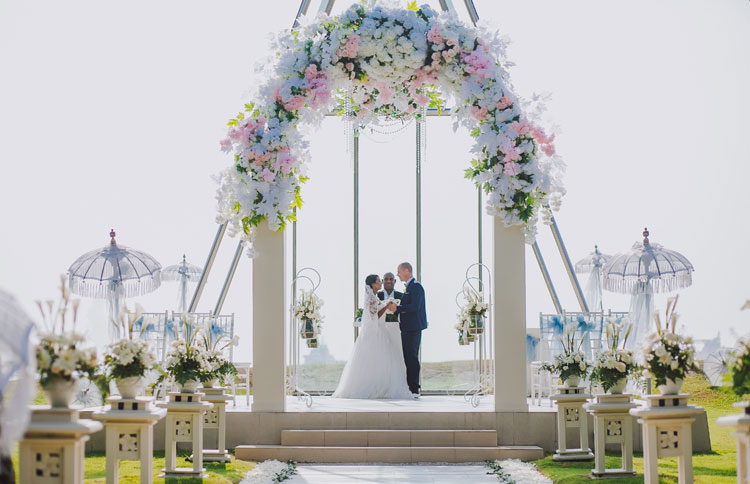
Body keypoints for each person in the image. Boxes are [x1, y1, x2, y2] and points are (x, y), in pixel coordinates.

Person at [332, 274, 413, 399]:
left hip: (380, 330)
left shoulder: (373, 297)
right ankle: (375, 386)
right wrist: (386, 306)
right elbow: (375, 316)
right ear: (373, 284)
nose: (381, 283)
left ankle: (380, 384)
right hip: (375, 332)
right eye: (378, 281)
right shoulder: (371, 298)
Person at [394, 262, 428, 397]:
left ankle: (414, 389)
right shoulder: (410, 287)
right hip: (407, 327)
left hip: (413, 328)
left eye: (399, 271)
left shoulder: (416, 287)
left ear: (407, 271)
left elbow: (414, 306)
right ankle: (410, 387)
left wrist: (397, 309)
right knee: (408, 357)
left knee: (412, 357)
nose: (398, 274)